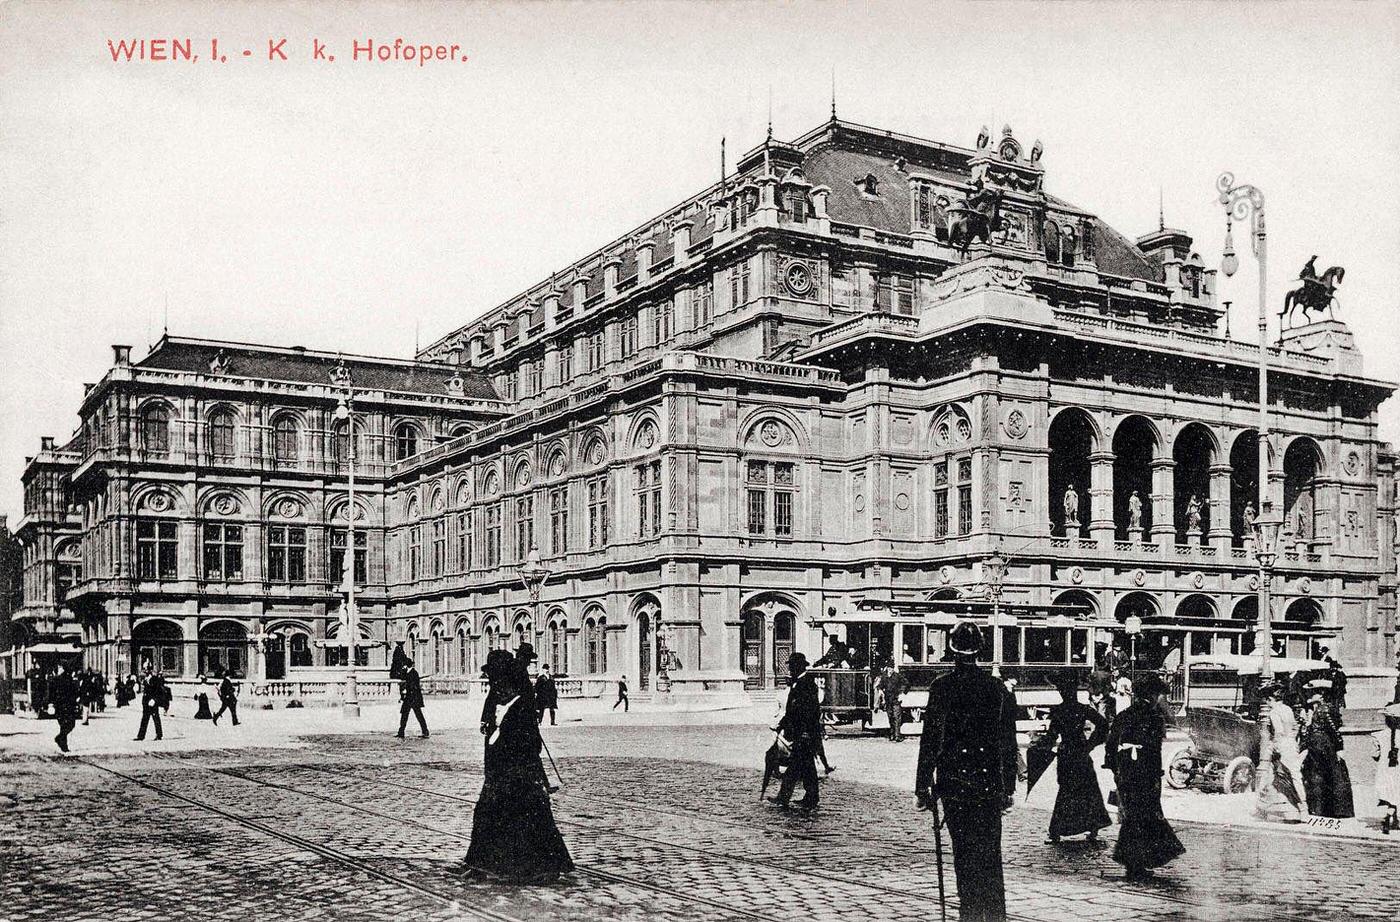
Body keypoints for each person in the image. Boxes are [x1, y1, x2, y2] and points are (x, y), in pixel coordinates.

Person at [915, 621, 1018, 922]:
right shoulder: (996, 688)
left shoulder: (941, 686)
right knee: (990, 855)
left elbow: (931, 739)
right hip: (988, 783)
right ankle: (996, 917)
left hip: (954, 783)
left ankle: (969, 916)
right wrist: (1008, 787)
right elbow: (1007, 742)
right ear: (980, 650)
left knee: (964, 855)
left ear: (951, 649)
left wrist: (923, 787)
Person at [462, 650, 574, 882]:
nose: (495, 688)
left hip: (519, 777)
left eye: (498, 683)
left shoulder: (521, 708)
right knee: (491, 817)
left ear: (509, 683)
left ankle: (545, 867)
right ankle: (483, 865)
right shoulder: (499, 705)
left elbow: (532, 746)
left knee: (528, 821)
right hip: (500, 776)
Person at [1104, 673, 1184, 881]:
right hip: (1146, 774)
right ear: (1153, 695)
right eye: (1158, 695)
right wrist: (1157, 775)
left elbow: (1111, 746)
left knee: (1132, 816)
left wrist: (1115, 770)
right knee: (1146, 816)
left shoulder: (1123, 715)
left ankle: (1134, 863)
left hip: (1127, 772)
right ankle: (1138, 862)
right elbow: (1154, 751)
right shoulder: (1155, 718)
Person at [1044, 673, 1111, 844]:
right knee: (1089, 790)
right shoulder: (1083, 709)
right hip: (1081, 753)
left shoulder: (1058, 711)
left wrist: (1041, 745)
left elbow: (1051, 736)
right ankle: (1093, 828)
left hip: (1066, 754)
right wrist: (1091, 744)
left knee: (1066, 792)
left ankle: (1056, 832)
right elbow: (1103, 724)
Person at [770, 652, 822, 809]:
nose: (790, 669)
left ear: (799, 666)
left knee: (795, 767)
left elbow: (811, 711)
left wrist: (806, 732)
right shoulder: (798, 683)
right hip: (801, 732)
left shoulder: (807, 684)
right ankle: (811, 797)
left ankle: (783, 798)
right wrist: (782, 724)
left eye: (792, 666)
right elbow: (792, 710)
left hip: (805, 733)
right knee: (807, 768)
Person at [1301, 684, 1353, 818]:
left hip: (1324, 745)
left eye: (1314, 692)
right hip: (1318, 745)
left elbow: (1334, 730)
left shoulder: (1325, 709)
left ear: (1322, 694)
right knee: (1319, 775)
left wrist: (1339, 748)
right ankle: (1321, 808)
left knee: (1326, 775)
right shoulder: (1318, 709)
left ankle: (1326, 809)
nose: (1310, 695)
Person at [1373, 700, 1400, 834]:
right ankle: (1390, 817)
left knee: (1390, 794)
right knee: (1396, 794)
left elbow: (1375, 755)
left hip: (1384, 770)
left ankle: (1392, 819)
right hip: (1397, 769)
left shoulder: (1379, 735)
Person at [48, 662, 81, 753]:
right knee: (67, 725)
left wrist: (50, 703)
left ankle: (60, 739)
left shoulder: (57, 679)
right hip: (64, 705)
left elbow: (51, 693)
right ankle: (63, 745)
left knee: (67, 725)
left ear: (63, 668)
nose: (58, 669)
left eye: (60, 667)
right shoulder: (66, 679)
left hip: (63, 705)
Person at [397, 657, 429, 738]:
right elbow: (401, 676)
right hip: (409, 698)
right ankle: (401, 732)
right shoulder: (407, 672)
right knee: (404, 715)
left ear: (406, 665)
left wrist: (406, 691)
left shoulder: (414, 673)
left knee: (418, 715)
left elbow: (414, 686)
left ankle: (425, 731)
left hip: (413, 698)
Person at [134, 666, 167, 742]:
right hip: (146, 702)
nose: (145, 671)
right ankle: (141, 736)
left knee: (156, 718)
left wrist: (154, 700)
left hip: (152, 701)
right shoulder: (145, 679)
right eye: (145, 669)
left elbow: (157, 691)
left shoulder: (154, 679)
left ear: (150, 670)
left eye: (147, 669)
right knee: (144, 719)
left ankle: (159, 734)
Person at [879, 664, 907, 743]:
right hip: (888, 700)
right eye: (889, 668)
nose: (890, 670)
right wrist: (881, 691)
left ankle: (897, 735)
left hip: (896, 699)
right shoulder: (884, 677)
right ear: (887, 668)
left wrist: (902, 693)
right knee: (890, 716)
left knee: (896, 717)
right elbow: (880, 686)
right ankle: (892, 735)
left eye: (891, 668)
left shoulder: (897, 676)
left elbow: (906, 683)